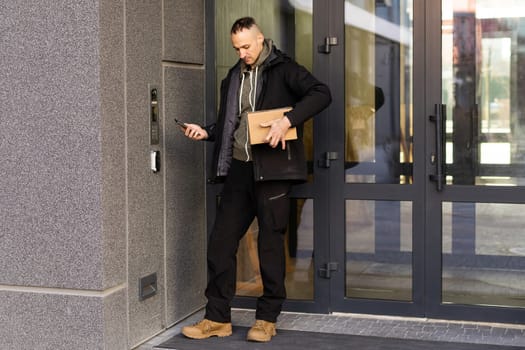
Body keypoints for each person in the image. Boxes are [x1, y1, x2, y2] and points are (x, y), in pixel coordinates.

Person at [180, 16, 331, 342]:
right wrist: (207, 131)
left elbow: (321, 94)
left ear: (261, 40)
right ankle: (217, 318)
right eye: (236, 48)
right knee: (220, 244)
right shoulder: (233, 77)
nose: (242, 53)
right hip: (239, 169)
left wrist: (286, 121)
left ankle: (266, 318)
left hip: (273, 172)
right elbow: (232, 124)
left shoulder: (285, 69)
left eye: (246, 46)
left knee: (270, 245)